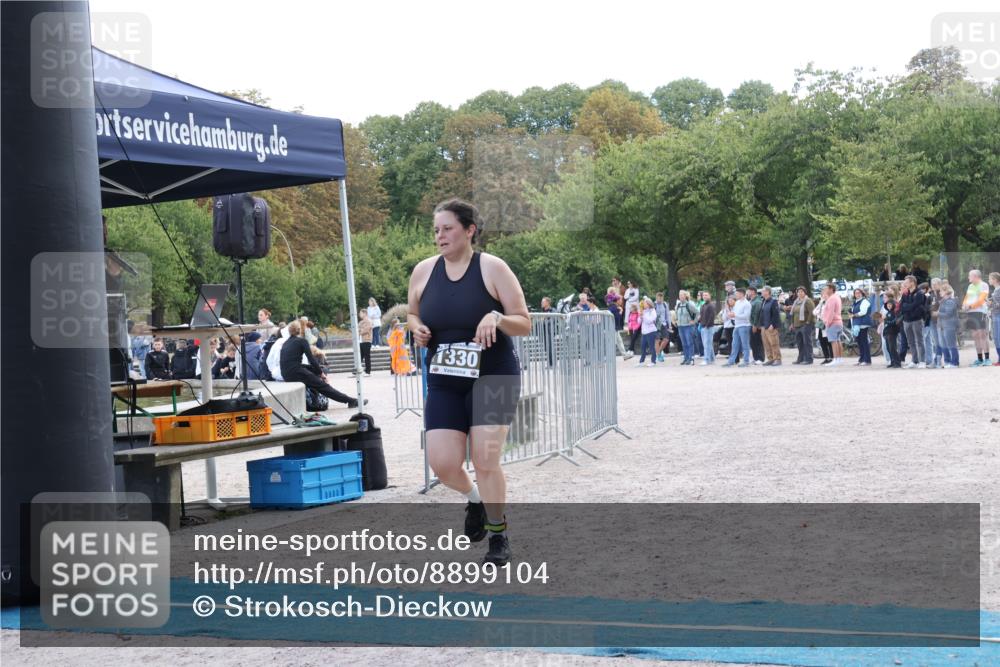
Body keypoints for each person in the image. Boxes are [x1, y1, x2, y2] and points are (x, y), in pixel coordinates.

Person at [407, 198, 530, 566]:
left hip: (493, 375)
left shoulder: (492, 268)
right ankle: (475, 499)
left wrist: (497, 317)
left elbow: (524, 321)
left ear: (469, 230)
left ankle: (498, 533)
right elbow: (413, 311)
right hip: (445, 378)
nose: (439, 236)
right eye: (436, 230)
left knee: (486, 457)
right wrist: (416, 328)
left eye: (447, 228)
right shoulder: (424, 271)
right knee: (443, 464)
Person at [280, 320, 362, 408]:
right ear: (299, 330)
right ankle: (350, 401)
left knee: (313, 374)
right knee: (322, 386)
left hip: (286, 374)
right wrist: (321, 374)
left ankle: (316, 401)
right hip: (296, 372)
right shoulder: (302, 341)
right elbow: (312, 360)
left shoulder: (285, 343)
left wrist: (317, 371)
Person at [962, 269, 991, 366]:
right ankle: (979, 359)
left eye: (969, 276)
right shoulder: (970, 286)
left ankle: (987, 358)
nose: (968, 278)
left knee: (982, 335)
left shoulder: (984, 285)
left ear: (975, 276)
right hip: (971, 313)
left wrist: (970, 306)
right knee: (975, 336)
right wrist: (964, 305)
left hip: (980, 312)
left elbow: (982, 299)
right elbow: (966, 297)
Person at [899, 275, 927, 368]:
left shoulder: (919, 293)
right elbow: (902, 307)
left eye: (906, 282)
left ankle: (922, 361)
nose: (905, 284)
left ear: (912, 283)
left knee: (919, 341)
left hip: (916, 320)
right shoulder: (905, 294)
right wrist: (909, 306)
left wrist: (908, 307)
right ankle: (914, 361)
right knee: (910, 342)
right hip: (906, 321)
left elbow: (917, 306)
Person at [724, 289, 751, 367]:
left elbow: (746, 316)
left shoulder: (747, 304)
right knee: (734, 344)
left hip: (744, 326)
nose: (736, 295)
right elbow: (735, 313)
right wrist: (731, 314)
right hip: (737, 326)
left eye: (737, 294)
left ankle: (746, 361)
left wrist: (735, 315)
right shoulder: (737, 303)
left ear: (742, 294)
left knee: (745, 344)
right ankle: (731, 361)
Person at [789, 287, 815, 365]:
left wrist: (808, 322)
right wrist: (792, 323)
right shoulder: (796, 302)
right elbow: (793, 314)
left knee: (807, 342)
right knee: (800, 343)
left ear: (805, 292)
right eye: (798, 292)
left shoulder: (808, 301)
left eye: (801, 292)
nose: (800, 293)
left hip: (805, 325)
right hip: (797, 325)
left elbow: (812, 312)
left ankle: (809, 359)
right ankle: (800, 358)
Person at [937, 285, 960, 368]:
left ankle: (955, 362)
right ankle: (947, 361)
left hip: (949, 325)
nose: (940, 293)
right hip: (942, 325)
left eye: (941, 291)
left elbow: (948, 314)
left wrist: (937, 313)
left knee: (951, 344)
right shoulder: (943, 301)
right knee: (944, 344)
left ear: (946, 291)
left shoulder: (950, 301)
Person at [821, 283, 844, 366]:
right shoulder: (837, 297)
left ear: (831, 289)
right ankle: (840, 359)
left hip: (833, 322)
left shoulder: (831, 298)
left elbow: (831, 312)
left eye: (826, 288)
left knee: (833, 342)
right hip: (838, 321)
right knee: (838, 340)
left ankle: (835, 359)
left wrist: (827, 322)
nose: (825, 290)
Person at [850, 288, 873, 366]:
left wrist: (854, 315)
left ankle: (867, 360)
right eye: (856, 293)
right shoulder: (855, 302)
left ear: (862, 293)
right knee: (859, 342)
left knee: (864, 342)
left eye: (859, 293)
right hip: (857, 324)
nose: (857, 294)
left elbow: (863, 312)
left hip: (863, 324)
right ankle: (862, 359)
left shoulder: (865, 301)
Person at [759, 286, 781, 366]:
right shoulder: (763, 301)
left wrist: (773, 324)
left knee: (774, 343)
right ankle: (770, 359)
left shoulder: (773, 301)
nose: (761, 292)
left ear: (768, 292)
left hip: (771, 326)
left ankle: (777, 359)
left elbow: (776, 315)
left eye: (763, 291)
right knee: (766, 344)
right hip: (763, 326)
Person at [675, 290, 698, 365]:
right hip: (680, 327)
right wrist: (676, 320)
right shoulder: (678, 305)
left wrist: (694, 321)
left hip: (688, 327)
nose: (680, 296)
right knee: (684, 343)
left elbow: (697, 312)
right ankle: (686, 358)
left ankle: (691, 358)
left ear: (685, 296)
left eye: (682, 295)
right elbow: (676, 314)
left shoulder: (689, 304)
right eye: (679, 295)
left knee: (689, 343)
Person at [882, 290, 902, 368]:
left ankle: (897, 362)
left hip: (892, 332)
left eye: (890, 304)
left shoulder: (894, 313)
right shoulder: (888, 313)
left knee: (892, 347)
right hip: (887, 332)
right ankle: (892, 361)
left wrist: (887, 320)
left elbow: (894, 321)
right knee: (888, 347)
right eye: (888, 305)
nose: (889, 306)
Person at [637, 297, 658, 366]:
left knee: (651, 347)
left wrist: (643, 316)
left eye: (645, 303)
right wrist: (640, 316)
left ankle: (653, 361)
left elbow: (650, 321)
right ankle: (641, 362)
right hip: (644, 332)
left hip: (651, 331)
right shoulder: (643, 311)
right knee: (643, 347)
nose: (643, 305)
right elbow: (639, 322)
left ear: (649, 304)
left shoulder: (653, 311)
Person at [747, 287, 765, 365]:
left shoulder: (757, 301)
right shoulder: (751, 301)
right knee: (753, 342)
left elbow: (757, 314)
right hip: (750, 324)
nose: (747, 293)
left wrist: (755, 324)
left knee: (758, 342)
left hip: (756, 325)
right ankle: (755, 358)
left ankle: (760, 358)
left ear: (753, 292)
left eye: (749, 291)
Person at [698, 292, 717, 365]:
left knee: (707, 344)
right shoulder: (703, 305)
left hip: (708, 327)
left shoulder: (711, 305)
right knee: (708, 344)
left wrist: (707, 325)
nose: (704, 296)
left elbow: (712, 316)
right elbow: (701, 316)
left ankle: (707, 359)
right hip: (703, 326)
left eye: (706, 295)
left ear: (709, 296)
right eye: (703, 295)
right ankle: (712, 358)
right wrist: (699, 322)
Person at [814, 291, 832, 364]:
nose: (823, 296)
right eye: (822, 295)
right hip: (820, 324)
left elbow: (826, 313)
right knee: (822, 342)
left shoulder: (829, 302)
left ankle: (831, 357)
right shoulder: (821, 303)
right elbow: (814, 312)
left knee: (828, 342)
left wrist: (819, 313)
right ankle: (826, 357)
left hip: (826, 323)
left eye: (824, 294)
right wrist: (820, 304)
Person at [653, 292, 671, 362]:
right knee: (657, 340)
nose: (660, 299)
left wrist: (669, 325)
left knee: (666, 339)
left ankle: (659, 352)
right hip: (656, 325)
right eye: (658, 297)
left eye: (661, 298)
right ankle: (658, 356)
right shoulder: (654, 305)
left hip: (663, 324)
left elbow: (668, 315)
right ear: (656, 297)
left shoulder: (665, 304)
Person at [358, 309, 373, 376]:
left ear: (365, 313)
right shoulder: (361, 322)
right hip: (361, 340)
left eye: (360, 313)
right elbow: (358, 329)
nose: (359, 314)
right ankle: (358, 370)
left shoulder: (368, 321)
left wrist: (360, 331)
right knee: (360, 356)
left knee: (367, 356)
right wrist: (360, 330)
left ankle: (368, 371)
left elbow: (366, 330)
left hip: (366, 340)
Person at [990, 272, 1000, 366]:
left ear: (995, 280)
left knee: (998, 337)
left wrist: (991, 304)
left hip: (998, 315)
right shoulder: (995, 290)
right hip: (994, 315)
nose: (989, 280)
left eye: (990, 278)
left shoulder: (998, 290)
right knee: (996, 337)